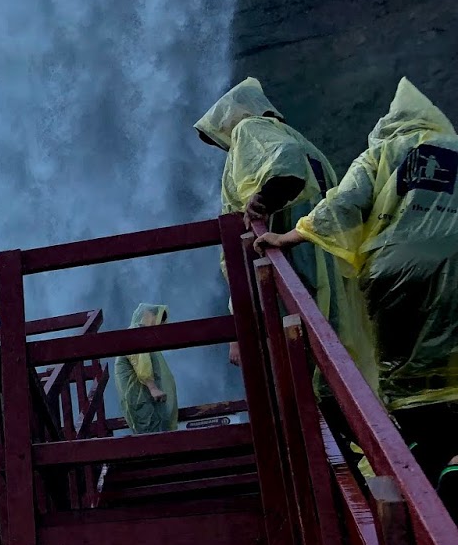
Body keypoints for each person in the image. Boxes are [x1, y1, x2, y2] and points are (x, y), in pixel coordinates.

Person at [257, 79, 458, 508]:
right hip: (455, 274)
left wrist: (288, 237)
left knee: (402, 376)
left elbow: (343, 202)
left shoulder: (381, 153)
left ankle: (420, 461)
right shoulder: (454, 147)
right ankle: (451, 466)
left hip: (391, 276)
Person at [195, 78, 362, 370]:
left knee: (300, 352)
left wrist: (263, 199)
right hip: (325, 259)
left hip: (293, 263)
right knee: (328, 347)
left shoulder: (249, 128)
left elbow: (287, 170)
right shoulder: (305, 145)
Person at [115, 305, 179, 435]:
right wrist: (153, 388)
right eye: (158, 321)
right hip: (142, 399)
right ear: (150, 317)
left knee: (156, 434)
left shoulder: (141, 336)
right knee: (151, 435)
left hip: (147, 399)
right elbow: (141, 363)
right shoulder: (136, 333)